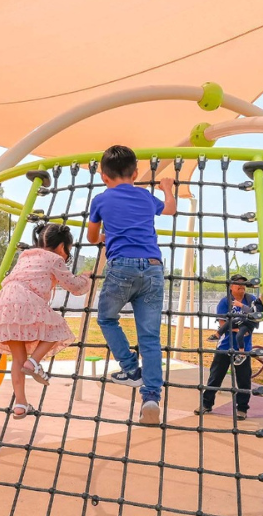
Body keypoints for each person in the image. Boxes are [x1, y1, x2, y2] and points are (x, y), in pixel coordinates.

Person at [87, 144, 177, 425]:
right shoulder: (146, 196)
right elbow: (171, 210)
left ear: (103, 176)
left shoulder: (101, 200)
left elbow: (92, 238)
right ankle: (151, 397)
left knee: (106, 318)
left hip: (121, 267)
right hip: (152, 268)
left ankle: (130, 368)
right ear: (136, 173)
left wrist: (106, 235)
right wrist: (166, 188)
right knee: (150, 338)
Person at [0, 223, 93, 418]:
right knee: (59, 329)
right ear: (62, 247)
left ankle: (20, 404)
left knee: (17, 358)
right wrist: (86, 278)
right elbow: (75, 287)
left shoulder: (25, 256)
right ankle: (34, 362)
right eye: (68, 250)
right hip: (25, 299)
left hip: (5, 302)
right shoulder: (55, 259)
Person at [196, 275, 258, 420]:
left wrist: (244, 329)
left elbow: (255, 320)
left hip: (243, 349)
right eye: (238, 284)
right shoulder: (225, 302)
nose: (241, 286)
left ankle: (242, 409)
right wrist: (239, 330)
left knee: (244, 380)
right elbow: (223, 324)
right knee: (215, 376)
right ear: (231, 286)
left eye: (243, 284)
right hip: (225, 346)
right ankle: (206, 404)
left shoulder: (251, 300)